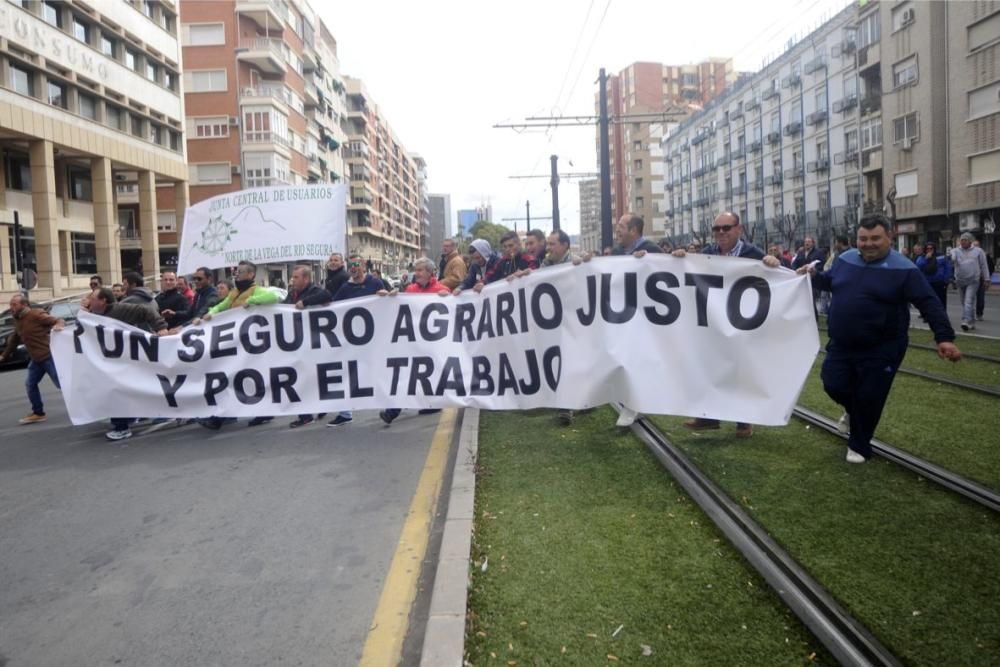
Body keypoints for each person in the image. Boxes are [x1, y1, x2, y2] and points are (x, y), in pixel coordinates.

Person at [799, 213, 961, 463]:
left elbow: (929, 303)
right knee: (833, 383)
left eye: (875, 238)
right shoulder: (845, 259)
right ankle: (854, 413)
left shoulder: (905, 269)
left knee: (870, 396)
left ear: (889, 238)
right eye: (863, 238)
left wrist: (944, 337)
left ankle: (859, 445)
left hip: (883, 346)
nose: (868, 243)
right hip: (842, 342)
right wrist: (813, 277)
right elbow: (831, 282)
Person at [669, 211, 779, 437]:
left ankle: (743, 421)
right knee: (710, 367)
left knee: (741, 370)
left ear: (739, 229)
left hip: (742, 322)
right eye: (716, 229)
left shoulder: (753, 254)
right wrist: (680, 258)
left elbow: (779, 278)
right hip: (714, 322)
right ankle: (709, 416)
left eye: (726, 228)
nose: (720, 233)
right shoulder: (708, 253)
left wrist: (774, 262)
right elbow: (691, 272)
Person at [197, 262, 280, 431]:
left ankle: (227, 417)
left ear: (251, 275)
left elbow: (275, 297)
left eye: (241, 272)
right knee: (232, 378)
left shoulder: (257, 290)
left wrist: (253, 300)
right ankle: (221, 417)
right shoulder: (234, 293)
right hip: (236, 344)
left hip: (251, 345)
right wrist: (211, 313)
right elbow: (223, 306)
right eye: (237, 272)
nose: (237, 275)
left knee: (246, 378)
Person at [249, 265, 332, 428]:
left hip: (311, 343)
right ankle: (306, 413)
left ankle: (314, 410)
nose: (292, 280)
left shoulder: (314, 290)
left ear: (306, 279)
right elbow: (283, 310)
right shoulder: (292, 294)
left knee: (311, 378)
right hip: (294, 343)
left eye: (296, 277)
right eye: (292, 277)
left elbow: (327, 295)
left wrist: (305, 302)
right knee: (296, 377)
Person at [87, 287, 171, 441]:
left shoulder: (120, 310)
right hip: (115, 362)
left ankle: (122, 427)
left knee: (117, 391)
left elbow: (146, 311)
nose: (89, 301)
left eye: (92, 298)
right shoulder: (95, 315)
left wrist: (161, 327)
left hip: (128, 360)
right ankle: (129, 418)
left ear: (103, 300)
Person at [379, 257, 446, 425]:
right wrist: (390, 297)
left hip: (433, 344)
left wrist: (447, 297)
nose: (416, 274)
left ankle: (432, 403)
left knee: (428, 376)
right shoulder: (410, 289)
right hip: (412, 342)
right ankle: (392, 411)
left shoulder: (441, 290)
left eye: (420, 270)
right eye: (415, 270)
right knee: (407, 375)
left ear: (430, 273)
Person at [325, 254, 384, 427]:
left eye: (357, 263)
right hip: (352, 340)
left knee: (380, 372)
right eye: (351, 264)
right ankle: (345, 413)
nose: (354, 267)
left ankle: (391, 406)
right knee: (346, 373)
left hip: (375, 338)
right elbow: (334, 308)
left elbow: (392, 300)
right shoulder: (345, 287)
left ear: (364, 265)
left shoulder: (375, 282)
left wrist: (386, 295)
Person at [0, 295, 64, 425]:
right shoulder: (17, 319)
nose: (11, 307)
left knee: (63, 385)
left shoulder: (36, 314)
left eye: (14, 304)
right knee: (30, 384)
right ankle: (38, 413)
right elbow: (14, 340)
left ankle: (87, 405)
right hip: (36, 359)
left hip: (48, 356)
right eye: (10, 304)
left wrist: (58, 325)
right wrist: (4, 355)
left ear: (24, 305)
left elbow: (58, 320)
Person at [950, 233, 990, 331]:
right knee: (965, 302)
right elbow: (952, 258)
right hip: (960, 280)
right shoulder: (955, 250)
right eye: (961, 240)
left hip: (973, 280)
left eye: (965, 240)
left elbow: (984, 265)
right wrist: (951, 257)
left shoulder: (978, 251)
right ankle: (971, 322)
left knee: (968, 301)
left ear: (970, 241)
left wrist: (987, 279)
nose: (963, 242)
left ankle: (965, 321)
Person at [915, 241, 952, 307]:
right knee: (930, 301)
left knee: (941, 301)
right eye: (927, 248)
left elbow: (948, 267)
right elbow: (918, 266)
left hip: (939, 282)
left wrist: (945, 280)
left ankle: (942, 316)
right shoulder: (922, 257)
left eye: (931, 248)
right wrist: (926, 259)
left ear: (934, 248)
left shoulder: (941, 256)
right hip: (928, 282)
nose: (929, 250)